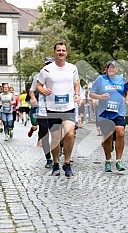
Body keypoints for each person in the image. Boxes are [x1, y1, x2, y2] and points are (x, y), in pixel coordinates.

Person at [36, 41, 80, 177]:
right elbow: (38, 85)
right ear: (55, 52)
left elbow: (76, 82)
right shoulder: (46, 70)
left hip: (68, 107)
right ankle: (55, 163)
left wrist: (77, 94)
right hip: (52, 108)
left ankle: (67, 163)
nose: (61, 52)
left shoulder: (72, 68)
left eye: (63, 50)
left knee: (70, 134)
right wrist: (44, 91)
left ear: (66, 53)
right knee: (55, 138)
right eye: (58, 50)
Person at [89, 60, 128, 172]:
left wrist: (127, 100)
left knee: (120, 132)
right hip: (105, 112)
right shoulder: (100, 79)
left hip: (119, 111)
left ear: (117, 69)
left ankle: (119, 161)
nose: (111, 69)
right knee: (108, 136)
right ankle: (108, 161)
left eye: (113, 67)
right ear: (105, 69)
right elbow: (91, 94)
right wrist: (100, 96)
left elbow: (127, 91)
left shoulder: (121, 79)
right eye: (109, 67)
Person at [28, 56, 54, 168]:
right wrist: (33, 98)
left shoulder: (60, 75)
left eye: (50, 64)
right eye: (47, 64)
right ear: (43, 65)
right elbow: (31, 90)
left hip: (57, 109)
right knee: (44, 135)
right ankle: (48, 158)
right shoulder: (38, 76)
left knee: (58, 134)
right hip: (43, 109)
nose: (48, 66)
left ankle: (58, 153)